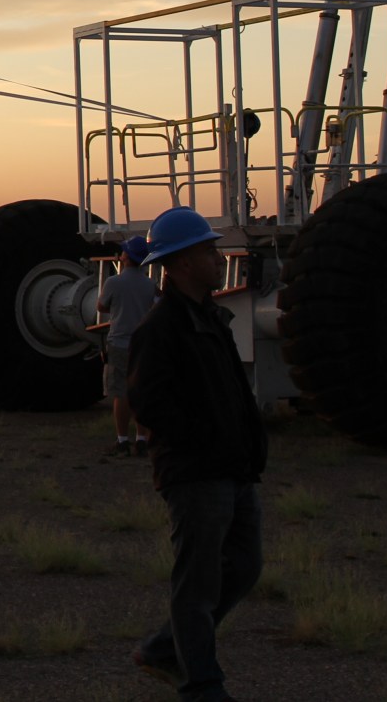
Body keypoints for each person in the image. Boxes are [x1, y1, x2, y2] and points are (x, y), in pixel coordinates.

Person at [126, 205, 266, 702]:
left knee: (245, 566)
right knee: (198, 584)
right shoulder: (160, 329)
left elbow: (233, 390)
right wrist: (203, 442)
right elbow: (148, 404)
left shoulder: (211, 318)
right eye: (208, 251)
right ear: (182, 262)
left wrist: (250, 443)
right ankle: (203, 686)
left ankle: (167, 648)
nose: (217, 257)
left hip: (234, 468)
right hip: (196, 474)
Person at [98, 239, 158, 456]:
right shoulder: (150, 284)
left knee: (120, 392)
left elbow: (101, 306)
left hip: (119, 342)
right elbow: (157, 308)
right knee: (141, 391)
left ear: (126, 257)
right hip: (143, 344)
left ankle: (122, 441)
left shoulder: (113, 282)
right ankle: (142, 439)